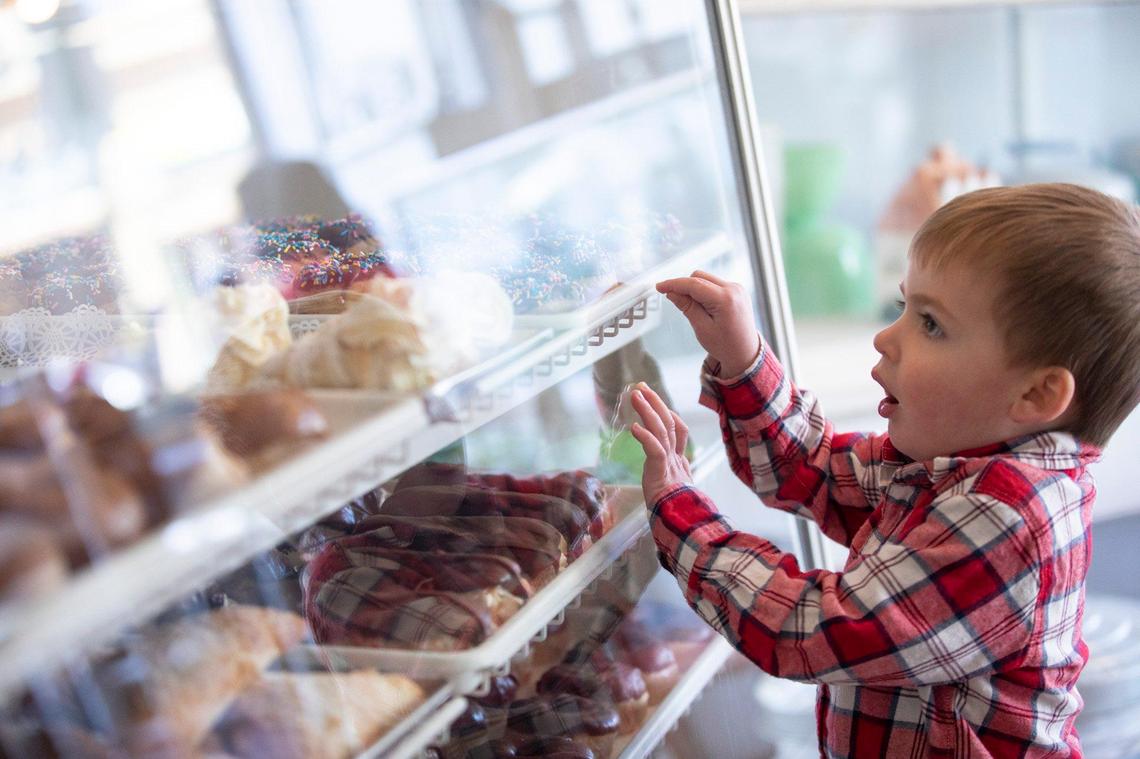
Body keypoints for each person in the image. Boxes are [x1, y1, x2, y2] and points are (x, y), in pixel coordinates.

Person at [627, 183, 1140, 757]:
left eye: (931, 325)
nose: (885, 338)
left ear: (1036, 393)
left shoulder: (1009, 517)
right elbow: (813, 470)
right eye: (903, 306)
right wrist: (744, 360)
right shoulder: (953, 464)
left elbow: (815, 631)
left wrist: (681, 515)